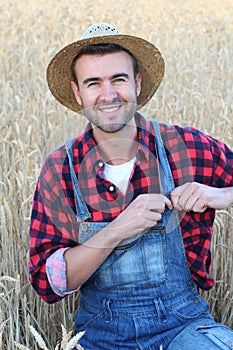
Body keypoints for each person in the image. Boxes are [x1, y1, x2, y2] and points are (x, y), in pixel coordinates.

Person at [29, 23, 233, 349]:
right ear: (77, 91)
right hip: (98, 336)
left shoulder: (187, 147)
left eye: (119, 79)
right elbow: (48, 283)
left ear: (137, 83)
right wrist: (117, 229)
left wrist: (220, 194)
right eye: (93, 83)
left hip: (184, 327)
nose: (108, 94)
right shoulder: (60, 169)